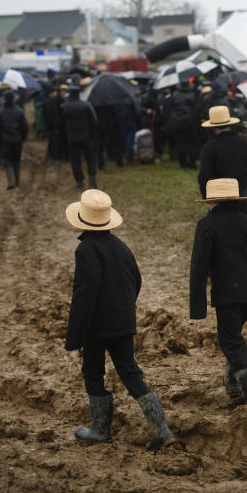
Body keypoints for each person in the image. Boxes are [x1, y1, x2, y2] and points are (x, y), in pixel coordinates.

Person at [64, 189, 174, 450]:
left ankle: (100, 430)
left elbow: (84, 295)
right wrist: (123, 308)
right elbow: (136, 281)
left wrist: (74, 337)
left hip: (96, 327)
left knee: (92, 371)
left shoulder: (85, 249)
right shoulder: (121, 247)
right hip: (123, 323)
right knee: (129, 371)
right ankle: (161, 429)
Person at [190, 178, 247, 405]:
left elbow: (198, 267)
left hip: (228, 294)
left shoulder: (207, 225)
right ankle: (233, 384)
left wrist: (197, 308)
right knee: (234, 334)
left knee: (230, 341)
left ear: (212, 202)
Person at [198, 106, 247, 215]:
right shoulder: (246, 144)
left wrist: (207, 198)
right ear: (229, 124)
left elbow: (204, 176)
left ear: (213, 127)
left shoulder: (210, 147)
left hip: (220, 197)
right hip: (243, 194)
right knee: (244, 229)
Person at [61, 84, 100, 190]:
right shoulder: (86, 105)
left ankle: (79, 184)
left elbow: (61, 124)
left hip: (72, 138)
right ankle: (92, 183)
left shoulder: (64, 106)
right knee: (91, 159)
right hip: (87, 137)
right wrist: (94, 136)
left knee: (75, 161)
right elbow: (94, 121)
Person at [0, 90, 28, 189]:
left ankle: (11, 181)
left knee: (7, 161)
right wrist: (23, 138)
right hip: (17, 140)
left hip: (5, 141)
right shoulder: (19, 111)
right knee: (16, 161)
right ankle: (17, 181)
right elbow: (25, 127)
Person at [167, 79, 200, 169]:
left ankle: (183, 163)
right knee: (192, 143)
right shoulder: (192, 95)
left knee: (180, 143)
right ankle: (192, 162)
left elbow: (170, 107)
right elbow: (196, 109)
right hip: (189, 122)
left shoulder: (174, 95)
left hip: (177, 122)